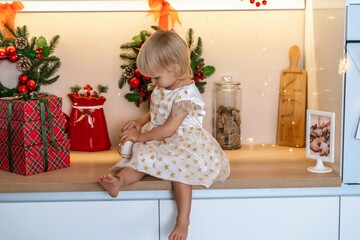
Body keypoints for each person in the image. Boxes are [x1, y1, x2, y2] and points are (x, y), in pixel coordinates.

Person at [98, 30, 230, 240]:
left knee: (180, 173)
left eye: (156, 76)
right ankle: (119, 183)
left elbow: (168, 129)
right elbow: (158, 110)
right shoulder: (165, 84)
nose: (154, 81)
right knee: (139, 161)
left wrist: (139, 136)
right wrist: (141, 121)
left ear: (175, 69)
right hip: (160, 138)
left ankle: (183, 220)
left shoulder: (186, 96)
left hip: (184, 143)